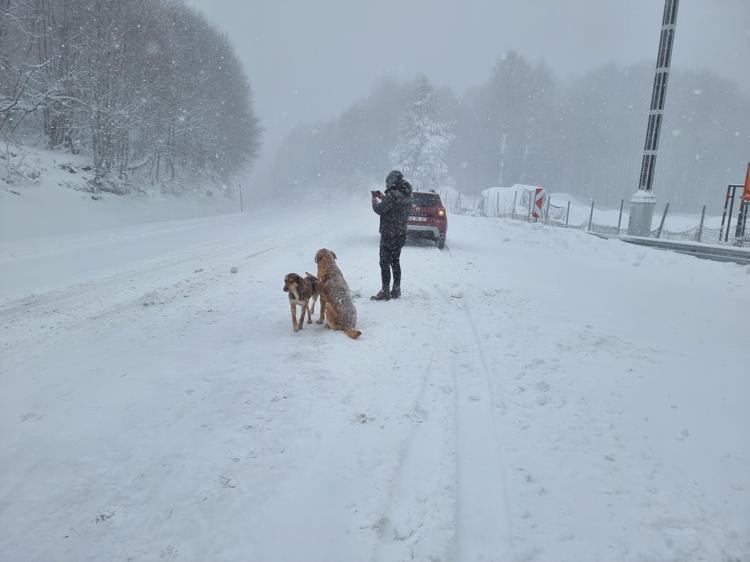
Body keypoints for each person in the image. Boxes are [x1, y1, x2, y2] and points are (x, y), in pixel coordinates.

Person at [370, 170, 413, 301]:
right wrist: (384, 197)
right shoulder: (407, 194)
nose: (387, 184)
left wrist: (374, 200)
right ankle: (396, 289)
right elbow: (394, 205)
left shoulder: (392, 194)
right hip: (400, 234)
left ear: (392, 180)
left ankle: (385, 291)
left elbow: (380, 209)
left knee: (384, 262)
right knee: (395, 261)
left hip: (389, 234)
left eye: (388, 181)